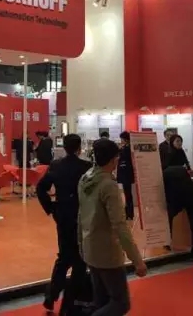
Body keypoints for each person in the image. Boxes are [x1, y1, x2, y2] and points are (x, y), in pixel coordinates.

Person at [78, 139, 147, 316]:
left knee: (101, 301)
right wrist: (137, 260)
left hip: (90, 247)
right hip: (108, 253)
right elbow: (120, 225)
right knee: (120, 303)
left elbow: (80, 216)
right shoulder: (109, 185)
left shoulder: (85, 178)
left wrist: (81, 245)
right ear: (113, 159)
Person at [36, 133, 92, 313]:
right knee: (80, 260)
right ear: (79, 148)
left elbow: (40, 188)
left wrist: (51, 208)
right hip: (81, 216)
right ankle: (72, 300)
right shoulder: (87, 167)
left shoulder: (56, 165)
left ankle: (51, 295)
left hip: (63, 216)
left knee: (64, 257)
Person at [162, 163, 193, 265]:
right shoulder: (181, 168)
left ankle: (167, 242)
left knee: (168, 218)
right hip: (192, 196)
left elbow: (165, 192)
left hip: (178, 198)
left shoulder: (164, 174)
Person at [117, 132, 135, 221]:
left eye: (122, 139)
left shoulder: (128, 148)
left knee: (128, 194)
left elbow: (124, 158)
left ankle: (129, 213)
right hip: (125, 174)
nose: (121, 140)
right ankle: (128, 212)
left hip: (127, 174)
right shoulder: (124, 148)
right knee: (127, 194)